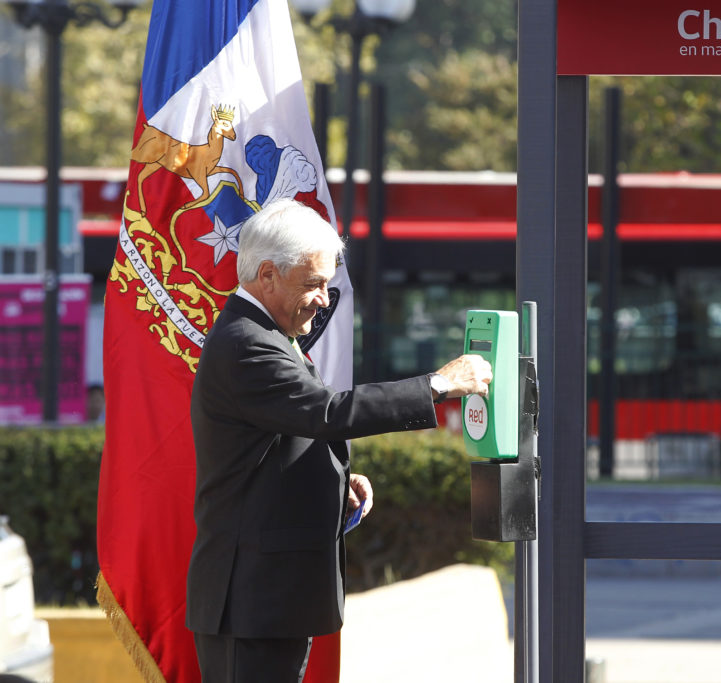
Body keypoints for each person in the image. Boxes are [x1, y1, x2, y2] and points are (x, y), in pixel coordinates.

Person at [185, 198, 492, 681]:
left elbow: (279, 435)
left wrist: (333, 481)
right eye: (314, 284)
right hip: (252, 602)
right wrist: (438, 384)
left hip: (265, 600)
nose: (324, 299)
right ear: (267, 276)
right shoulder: (248, 342)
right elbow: (326, 412)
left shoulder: (262, 334)